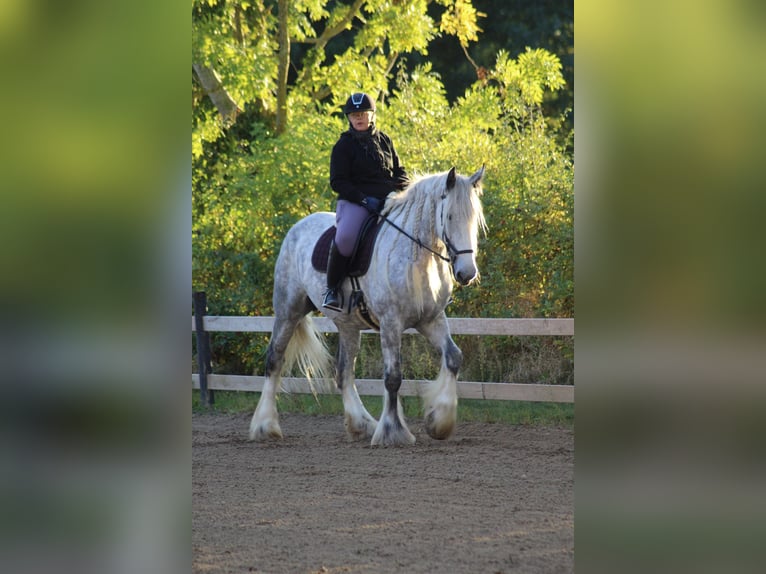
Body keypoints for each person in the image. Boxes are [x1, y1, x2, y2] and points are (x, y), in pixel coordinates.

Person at [322, 92, 409, 312]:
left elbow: (400, 171)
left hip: (388, 200)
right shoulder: (343, 146)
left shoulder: (385, 140)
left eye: (363, 113)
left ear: (372, 115)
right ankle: (332, 289)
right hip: (356, 202)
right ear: (349, 118)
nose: (358, 118)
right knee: (346, 237)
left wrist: (400, 187)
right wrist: (362, 199)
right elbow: (338, 181)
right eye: (354, 114)